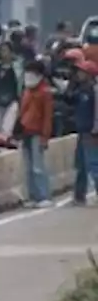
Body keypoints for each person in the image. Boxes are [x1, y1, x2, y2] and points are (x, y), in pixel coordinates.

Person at [17, 59, 55, 207]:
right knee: (28, 167)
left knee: (38, 167)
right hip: (25, 131)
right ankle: (33, 196)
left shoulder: (45, 92)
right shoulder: (27, 90)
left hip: (37, 132)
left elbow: (47, 116)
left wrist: (45, 137)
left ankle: (44, 196)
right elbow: (21, 111)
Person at [66, 60, 98, 204]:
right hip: (82, 130)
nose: (78, 74)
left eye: (81, 71)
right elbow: (69, 100)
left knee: (93, 164)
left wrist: (95, 129)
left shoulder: (93, 91)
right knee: (81, 165)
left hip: (91, 131)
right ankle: (79, 195)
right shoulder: (80, 90)